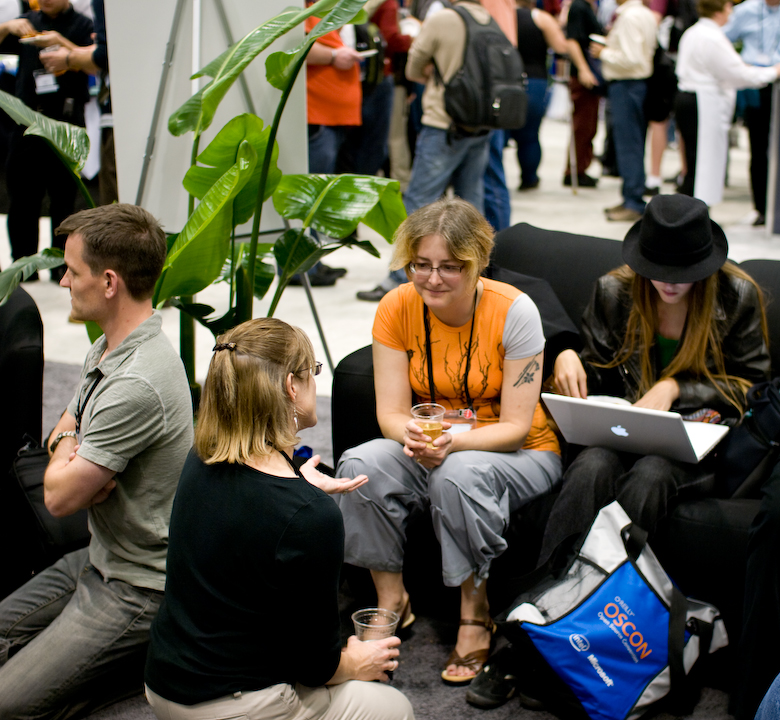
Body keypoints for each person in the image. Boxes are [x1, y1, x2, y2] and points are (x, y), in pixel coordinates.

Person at [337, 198, 562, 686]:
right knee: (360, 463)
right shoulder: (396, 306)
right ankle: (392, 597)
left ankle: (475, 609)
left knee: (456, 476)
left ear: (476, 263)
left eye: (449, 267)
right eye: (421, 265)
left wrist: (449, 447)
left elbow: (517, 427)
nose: (432, 279)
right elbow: (391, 414)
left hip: (522, 451)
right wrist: (411, 434)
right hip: (436, 443)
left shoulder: (514, 312)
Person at [144, 318, 415, 720]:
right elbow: (316, 668)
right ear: (292, 386)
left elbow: (249, 506)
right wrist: (358, 662)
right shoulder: (311, 519)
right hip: (234, 703)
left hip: (163, 683)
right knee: (393, 707)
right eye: (313, 373)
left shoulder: (200, 457)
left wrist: (295, 487)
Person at [0, 203, 194, 719]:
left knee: (8, 704)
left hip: (138, 586)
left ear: (109, 282)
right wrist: (73, 449)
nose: (62, 281)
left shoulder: (135, 380)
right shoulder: (108, 348)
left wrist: (71, 454)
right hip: (99, 556)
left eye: (73, 271)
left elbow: (59, 498)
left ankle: (122, 670)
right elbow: (61, 429)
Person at [539, 193, 770, 563]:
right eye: (657, 268)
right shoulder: (615, 291)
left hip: (698, 445)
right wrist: (566, 358)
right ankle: (549, 591)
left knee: (651, 473)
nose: (669, 282)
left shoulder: (736, 296)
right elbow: (598, 374)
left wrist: (676, 386)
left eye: (683, 273)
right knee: (591, 466)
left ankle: (603, 596)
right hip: (625, 434)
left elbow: (752, 387)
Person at [0, 0, 93, 280]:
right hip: (27, 122)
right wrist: (6, 26)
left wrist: (60, 44)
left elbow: (97, 63)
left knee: (64, 200)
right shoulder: (25, 22)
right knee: (22, 199)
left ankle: (63, 266)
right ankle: (23, 265)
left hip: (66, 124)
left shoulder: (83, 25)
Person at [675, 0, 780, 208]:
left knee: (695, 160)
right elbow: (738, 73)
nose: (732, 13)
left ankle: (691, 213)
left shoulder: (694, 32)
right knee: (702, 164)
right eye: (729, 7)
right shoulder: (713, 37)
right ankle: (693, 215)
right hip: (703, 102)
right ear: (721, 10)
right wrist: (773, 72)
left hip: (689, 99)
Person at [39, 0, 117, 206]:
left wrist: (68, 57)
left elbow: (103, 56)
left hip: (88, 114)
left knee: (112, 199)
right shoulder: (28, 22)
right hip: (34, 120)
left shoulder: (84, 22)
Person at [589, 0, 657, 222]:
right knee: (632, 143)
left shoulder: (629, 17)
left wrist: (605, 53)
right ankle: (631, 195)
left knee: (629, 143)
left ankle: (633, 201)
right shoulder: (644, 13)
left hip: (627, 85)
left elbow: (631, 58)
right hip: (634, 85)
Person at [723, 0, 780, 227]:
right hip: (755, 84)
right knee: (758, 148)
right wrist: (738, 65)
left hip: (778, 83)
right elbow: (720, 39)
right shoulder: (745, 11)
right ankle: (761, 208)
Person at [561, 0, 602, 189]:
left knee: (588, 124)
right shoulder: (578, 6)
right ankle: (574, 170)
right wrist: (584, 69)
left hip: (588, 75)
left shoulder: (587, 6)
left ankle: (580, 168)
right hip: (584, 76)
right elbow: (572, 41)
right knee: (583, 125)